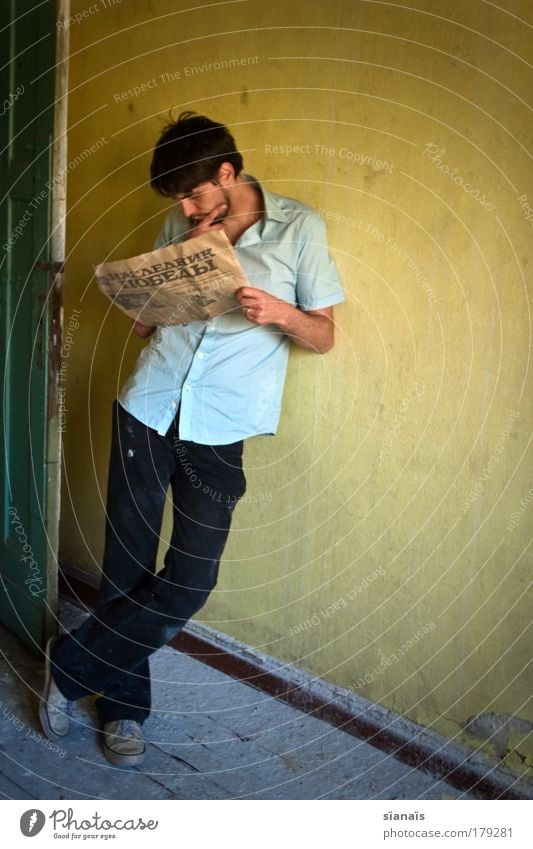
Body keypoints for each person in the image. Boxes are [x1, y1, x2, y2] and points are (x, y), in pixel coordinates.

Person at [39, 112, 344, 767]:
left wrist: (280, 312)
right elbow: (150, 326)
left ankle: (68, 669)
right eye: (175, 199)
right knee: (126, 566)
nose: (183, 207)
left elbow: (322, 334)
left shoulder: (300, 229)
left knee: (189, 578)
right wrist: (138, 307)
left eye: (193, 193)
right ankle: (123, 711)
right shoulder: (181, 224)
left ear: (227, 174)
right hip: (146, 409)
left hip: (219, 428)